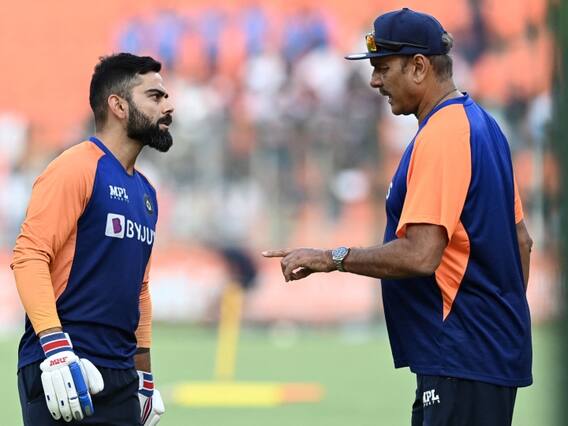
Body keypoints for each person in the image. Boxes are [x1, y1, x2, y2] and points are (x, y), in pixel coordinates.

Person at [263, 8, 533, 426]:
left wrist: (332, 257)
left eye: (383, 68)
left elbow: (421, 255)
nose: (375, 81)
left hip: (461, 356)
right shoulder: (484, 126)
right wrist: (499, 322)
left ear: (419, 67)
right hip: (480, 355)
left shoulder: (444, 134)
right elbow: (522, 241)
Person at [11, 53, 173, 425]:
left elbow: (139, 290)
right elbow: (30, 255)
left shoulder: (146, 193)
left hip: (120, 375)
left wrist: (144, 376)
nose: (169, 106)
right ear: (118, 105)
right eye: (155, 96)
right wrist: (56, 350)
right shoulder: (75, 168)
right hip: (63, 367)